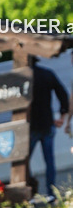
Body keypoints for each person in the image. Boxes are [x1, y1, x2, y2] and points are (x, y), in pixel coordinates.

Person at [29, 57, 69, 199]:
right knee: (49, 161)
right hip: (47, 123)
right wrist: (62, 115)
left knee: (23, 161)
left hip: (30, 125)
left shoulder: (22, 77)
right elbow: (63, 94)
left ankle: (31, 191)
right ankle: (51, 192)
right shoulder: (47, 74)